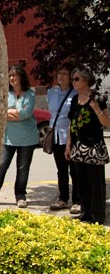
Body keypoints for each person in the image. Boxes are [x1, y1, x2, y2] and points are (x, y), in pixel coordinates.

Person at [65, 66, 109, 225]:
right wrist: (68, 145)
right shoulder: (75, 101)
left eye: (76, 79)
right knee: (81, 182)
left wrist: (97, 109)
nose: (73, 82)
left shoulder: (98, 98)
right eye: (72, 79)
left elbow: (106, 122)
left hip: (94, 147)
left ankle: (97, 216)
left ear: (86, 80)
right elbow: (72, 123)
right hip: (78, 147)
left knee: (95, 183)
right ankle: (86, 213)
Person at [0, 65, 39, 208]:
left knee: (23, 169)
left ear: (21, 77)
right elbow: (0, 111)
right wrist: (16, 113)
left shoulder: (29, 94)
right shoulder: (6, 93)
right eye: (10, 75)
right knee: (1, 166)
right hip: (9, 138)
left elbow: (26, 114)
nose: (12, 78)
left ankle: (20, 195)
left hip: (27, 139)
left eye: (15, 75)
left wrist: (8, 114)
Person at [47, 62, 80, 213]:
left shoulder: (75, 94)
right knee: (61, 170)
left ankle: (78, 200)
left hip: (70, 137)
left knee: (74, 170)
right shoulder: (51, 93)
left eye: (65, 74)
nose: (61, 77)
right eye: (59, 73)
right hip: (56, 137)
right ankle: (63, 198)